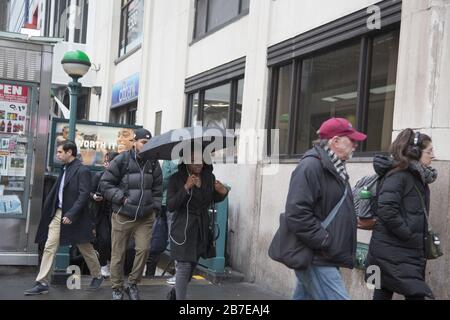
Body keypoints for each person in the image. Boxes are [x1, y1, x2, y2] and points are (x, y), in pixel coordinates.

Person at [287, 118, 367, 300]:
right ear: (335, 141)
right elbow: (297, 213)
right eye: (351, 140)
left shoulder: (334, 168)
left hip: (322, 255)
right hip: (317, 256)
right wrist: (324, 241)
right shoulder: (312, 166)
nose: (355, 145)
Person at [366, 129, 437, 300]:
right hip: (395, 251)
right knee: (416, 293)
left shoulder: (415, 175)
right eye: (429, 151)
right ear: (415, 152)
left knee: (383, 291)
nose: (433, 155)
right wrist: (409, 235)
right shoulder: (399, 175)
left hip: (400, 251)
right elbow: (387, 210)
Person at [25, 141, 103, 295]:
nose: (58, 155)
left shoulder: (82, 171)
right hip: (59, 213)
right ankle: (42, 282)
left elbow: (83, 196)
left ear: (69, 152)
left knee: (84, 247)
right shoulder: (64, 168)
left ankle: (98, 275)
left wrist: (71, 214)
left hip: (76, 215)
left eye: (60, 152)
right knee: (49, 246)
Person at [100, 128, 162, 300]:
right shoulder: (122, 160)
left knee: (144, 250)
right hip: (122, 214)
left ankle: (133, 283)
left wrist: (155, 208)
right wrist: (120, 198)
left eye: (149, 142)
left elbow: (158, 188)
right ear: (135, 142)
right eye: (143, 142)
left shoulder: (154, 163)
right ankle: (117, 287)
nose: (146, 145)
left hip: (145, 216)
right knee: (118, 254)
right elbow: (105, 184)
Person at [166, 148, 229, 300]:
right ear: (186, 161)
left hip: (201, 228)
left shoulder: (209, 177)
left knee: (191, 266)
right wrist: (186, 187)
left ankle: (175, 293)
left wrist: (223, 192)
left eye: (201, 160)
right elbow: (171, 205)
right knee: (184, 266)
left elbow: (211, 199)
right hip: (183, 228)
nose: (198, 163)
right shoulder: (176, 179)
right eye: (194, 160)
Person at [146, 159, 179, 277]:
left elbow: (163, 181)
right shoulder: (169, 159)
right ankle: (178, 275)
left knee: (161, 240)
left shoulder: (169, 159)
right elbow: (163, 181)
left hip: (168, 204)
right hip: (167, 204)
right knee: (168, 240)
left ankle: (150, 275)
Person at [90, 151, 120, 278]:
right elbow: (90, 192)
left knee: (117, 241)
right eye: (105, 160)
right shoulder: (99, 175)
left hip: (117, 212)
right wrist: (94, 196)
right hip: (102, 212)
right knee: (104, 239)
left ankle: (114, 265)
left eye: (109, 161)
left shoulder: (121, 179)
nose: (105, 163)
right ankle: (103, 265)